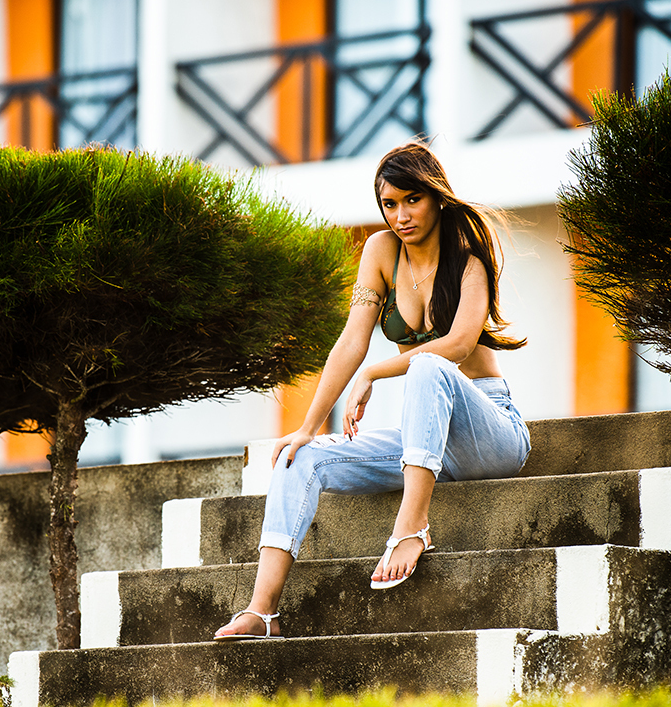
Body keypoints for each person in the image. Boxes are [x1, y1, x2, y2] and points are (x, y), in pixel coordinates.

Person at [214, 139, 531, 640]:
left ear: (436, 197)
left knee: (427, 367)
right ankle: (262, 612)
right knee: (303, 458)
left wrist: (376, 373)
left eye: (412, 199)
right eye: (390, 203)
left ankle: (411, 529)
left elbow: (460, 341)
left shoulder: (468, 254)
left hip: (489, 434)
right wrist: (307, 426)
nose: (401, 215)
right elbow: (350, 342)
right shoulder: (381, 252)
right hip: (423, 446)